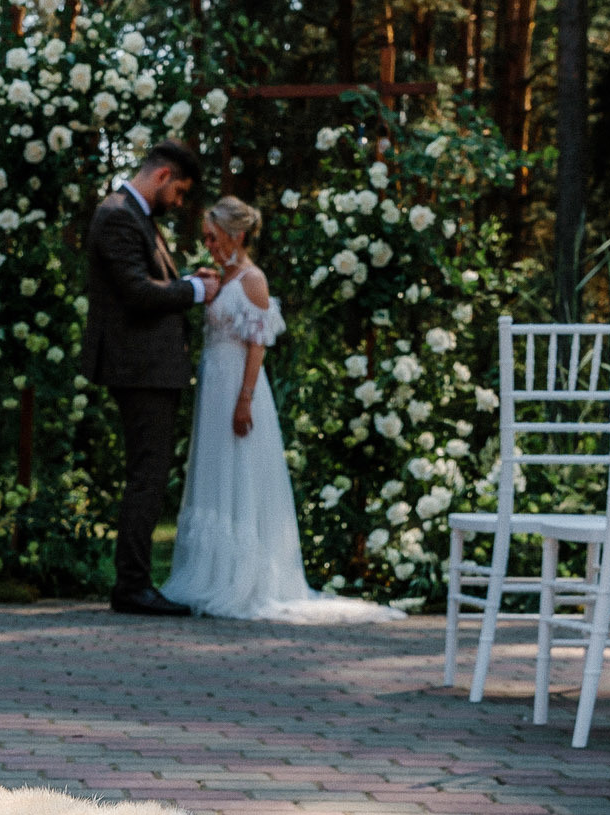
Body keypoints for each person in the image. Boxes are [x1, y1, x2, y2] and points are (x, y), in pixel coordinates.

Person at [163, 197, 397, 624]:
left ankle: (244, 577)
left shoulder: (253, 279)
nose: (209, 246)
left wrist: (245, 398)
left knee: (241, 473)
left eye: (213, 238)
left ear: (236, 235)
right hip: (212, 386)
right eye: (206, 239)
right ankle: (210, 571)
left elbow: (258, 344)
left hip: (237, 384)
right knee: (215, 473)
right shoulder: (222, 276)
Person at [81, 140, 219, 617]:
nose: (179, 202)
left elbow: (151, 282)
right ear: (162, 176)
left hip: (148, 367)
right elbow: (137, 292)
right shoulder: (118, 214)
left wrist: (185, 282)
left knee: (149, 474)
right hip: (138, 368)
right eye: (180, 191)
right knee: (147, 475)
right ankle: (132, 587)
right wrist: (197, 289)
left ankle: (134, 583)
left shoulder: (137, 217)